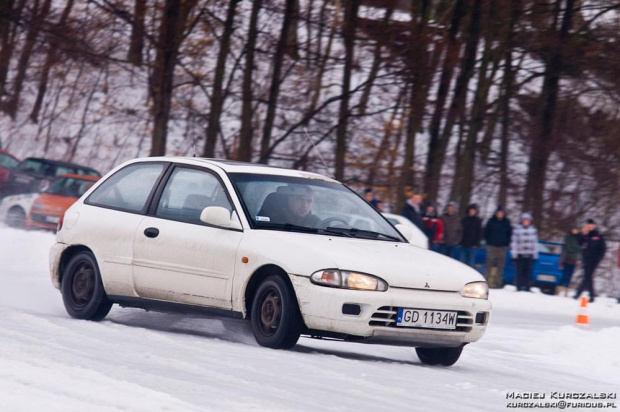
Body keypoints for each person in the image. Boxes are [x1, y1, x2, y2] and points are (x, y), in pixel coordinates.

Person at [574, 219, 606, 302]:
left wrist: (599, 258)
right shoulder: (585, 235)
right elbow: (579, 243)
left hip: (594, 259)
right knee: (588, 277)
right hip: (585, 258)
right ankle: (591, 296)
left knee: (587, 276)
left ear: (594, 225)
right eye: (588, 224)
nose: (589, 226)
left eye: (591, 225)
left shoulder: (598, 236)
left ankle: (578, 293)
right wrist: (582, 234)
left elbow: (603, 248)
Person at [484, 205, 512, 288]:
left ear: (504, 214)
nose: (500, 214)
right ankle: (485, 282)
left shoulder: (506, 222)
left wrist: (506, 244)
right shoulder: (491, 221)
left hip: (502, 247)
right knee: (488, 265)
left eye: (501, 213)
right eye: (499, 212)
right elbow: (486, 232)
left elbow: (509, 234)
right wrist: (488, 241)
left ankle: (498, 283)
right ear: (496, 213)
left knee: (500, 266)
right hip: (491, 246)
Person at [510, 213, 539, 292]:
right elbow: (514, 242)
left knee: (528, 271)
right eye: (524, 220)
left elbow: (535, 243)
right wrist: (514, 254)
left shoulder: (533, 230)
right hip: (520, 254)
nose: (526, 222)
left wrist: (535, 255)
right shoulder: (517, 229)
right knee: (519, 271)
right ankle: (519, 286)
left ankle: (527, 287)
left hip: (529, 254)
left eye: (527, 220)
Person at [558, 226, 580, 296]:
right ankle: (559, 289)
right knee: (564, 273)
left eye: (576, 230)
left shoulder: (579, 238)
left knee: (570, 274)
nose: (575, 231)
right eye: (574, 229)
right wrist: (576, 249)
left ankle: (566, 289)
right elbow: (569, 247)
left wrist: (575, 249)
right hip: (566, 258)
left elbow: (580, 248)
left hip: (574, 259)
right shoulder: (568, 236)